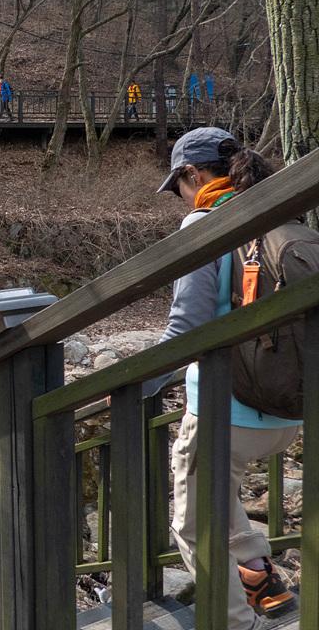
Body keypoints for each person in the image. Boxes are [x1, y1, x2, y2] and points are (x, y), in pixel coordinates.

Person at [149, 127, 301, 629]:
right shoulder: (275, 211)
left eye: (180, 187)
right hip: (286, 409)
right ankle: (260, 574)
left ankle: (237, 623)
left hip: (224, 409)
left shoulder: (205, 223)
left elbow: (186, 326)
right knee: (219, 492)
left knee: (193, 524)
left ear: (193, 175)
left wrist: (140, 381)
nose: (181, 199)